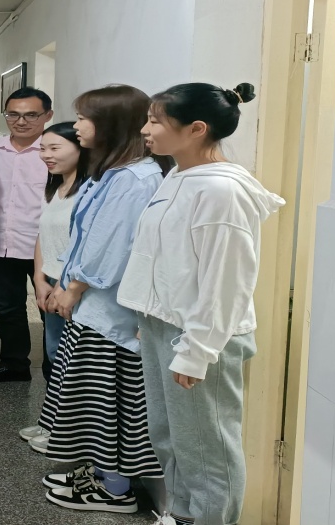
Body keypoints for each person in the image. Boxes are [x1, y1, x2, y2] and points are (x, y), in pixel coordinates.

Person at [122, 83, 283, 525]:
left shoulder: (221, 191)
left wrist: (197, 350)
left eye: (156, 121)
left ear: (196, 129)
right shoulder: (178, 176)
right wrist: (148, 312)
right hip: (164, 324)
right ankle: (181, 515)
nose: (145, 129)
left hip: (200, 335)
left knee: (207, 450)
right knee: (170, 438)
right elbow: (164, 257)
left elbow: (227, 281)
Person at [35, 85, 170, 514]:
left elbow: (110, 247)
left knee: (106, 404)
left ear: (110, 123)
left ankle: (115, 490)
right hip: (94, 309)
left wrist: (72, 288)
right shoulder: (114, 171)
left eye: (83, 118)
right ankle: (101, 473)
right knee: (90, 399)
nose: (76, 126)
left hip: (109, 315)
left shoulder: (134, 179)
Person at [0, 87, 54, 384]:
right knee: (6, 310)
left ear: (48, 115)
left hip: (47, 247)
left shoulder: (57, 149)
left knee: (51, 312)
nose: (21, 121)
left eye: (31, 115)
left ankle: (56, 372)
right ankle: (14, 365)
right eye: (13, 114)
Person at [17, 121, 90, 444]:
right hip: (50, 280)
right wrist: (38, 277)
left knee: (75, 362)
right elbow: (42, 235)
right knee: (55, 356)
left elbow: (87, 245)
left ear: (81, 149)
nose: (46, 155)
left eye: (55, 148)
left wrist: (63, 284)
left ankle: (68, 431)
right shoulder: (55, 187)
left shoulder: (90, 190)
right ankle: (53, 422)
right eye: (43, 148)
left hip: (75, 286)